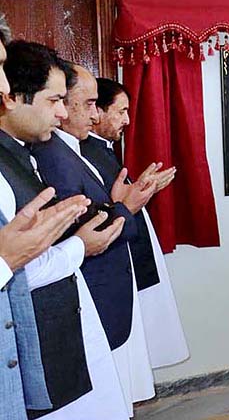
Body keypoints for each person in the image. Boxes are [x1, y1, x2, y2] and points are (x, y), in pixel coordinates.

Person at [2, 39, 130, 419]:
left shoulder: (23, 152)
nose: (62, 113)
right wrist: (80, 246)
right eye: (53, 100)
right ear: (17, 99)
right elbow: (22, 270)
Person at [30, 60, 161, 415]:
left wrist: (124, 201)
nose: (95, 113)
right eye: (88, 104)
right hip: (88, 288)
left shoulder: (72, 149)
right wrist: (126, 208)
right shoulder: (52, 155)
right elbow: (83, 229)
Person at [81, 77, 189, 369]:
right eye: (121, 111)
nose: (127, 120)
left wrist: (143, 189)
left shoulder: (101, 150)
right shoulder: (84, 152)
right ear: (97, 111)